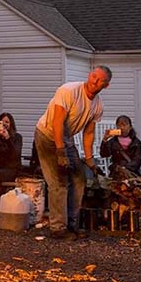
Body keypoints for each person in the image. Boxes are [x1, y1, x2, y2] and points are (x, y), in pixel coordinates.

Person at [34, 65, 112, 239]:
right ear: (89, 75)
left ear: (106, 86)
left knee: (78, 179)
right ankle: (57, 228)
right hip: (47, 135)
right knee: (59, 180)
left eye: (101, 81)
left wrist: (90, 160)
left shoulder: (97, 106)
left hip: (66, 139)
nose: (95, 82)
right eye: (94, 77)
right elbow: (57, 122)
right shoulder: (68, 91)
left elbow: (88, 133)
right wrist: (60, 152)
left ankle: (72, 224)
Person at [0, 112, 23, 215]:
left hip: (11, 168)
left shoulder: (17, 137)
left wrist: (8, 138)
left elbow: (15, 154)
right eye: (2, 122)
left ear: (11, 124)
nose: (5, 124)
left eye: (7, 122)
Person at [100, 115, 141, 179]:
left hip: (131, 171)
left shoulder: (136, 142)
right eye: (119, 125)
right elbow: (104, 154)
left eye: (124, 125)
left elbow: (137, 159)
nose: (122, 127)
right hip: (116, 171)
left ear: (130, 127)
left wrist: (125, 168)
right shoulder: (113, 141)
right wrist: (105, 140)